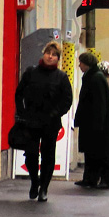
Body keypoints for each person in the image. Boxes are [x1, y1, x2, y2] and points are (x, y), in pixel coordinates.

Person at [15, 41, 73, 202]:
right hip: (31, 121)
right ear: (43, 53)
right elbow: (19, 93)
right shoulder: (31, 72)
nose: (50, 56)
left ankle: (44, 188)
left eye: (54, 55)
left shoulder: (61, 77)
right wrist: (22, 113)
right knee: (31, 154)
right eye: (48, 53)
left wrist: (56, 113)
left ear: (58, 59)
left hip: (50, 123)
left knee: (48, 155)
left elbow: (67, 99)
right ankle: (34, 182)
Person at [74, 51, 109, 189]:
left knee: (102, 154)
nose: (79, 65)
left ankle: (104, 180)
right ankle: (90, 178)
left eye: (81, 62)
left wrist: (98, 124)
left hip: (98, 125)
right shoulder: (92, 76)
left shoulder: (96, 78)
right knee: (92, 152)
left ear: (86, 63)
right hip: (93, 123)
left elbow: (100, 104)